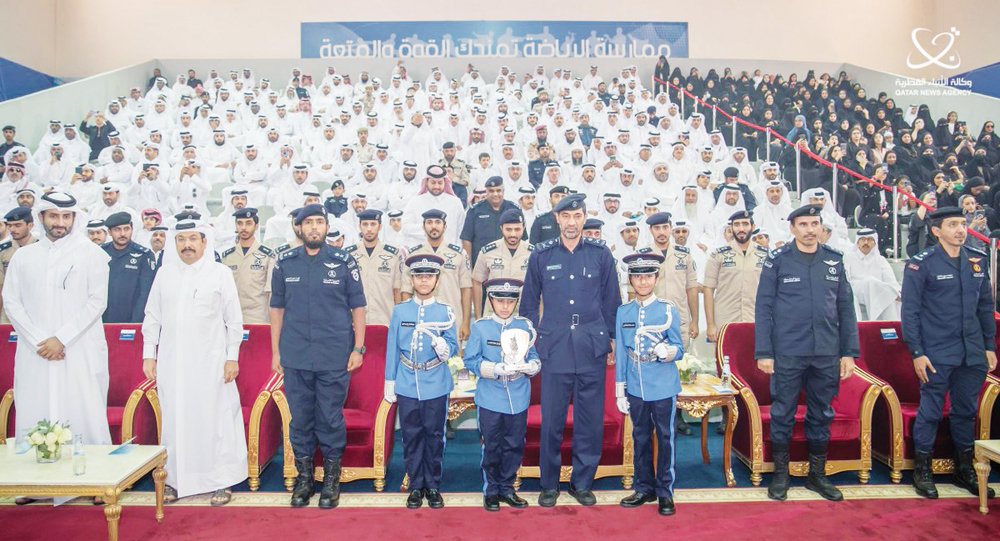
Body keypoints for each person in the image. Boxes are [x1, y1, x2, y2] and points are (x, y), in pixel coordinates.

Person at [519, 193, 622, 507]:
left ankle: (581, 482)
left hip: (591, 343)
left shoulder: (601, 254)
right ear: (557, 218)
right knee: (552, 420)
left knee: (589, 420)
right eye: (566, 216)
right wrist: (531, 341)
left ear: (584, 217)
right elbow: (528, 304)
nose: (572, 222)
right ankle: (549, 484)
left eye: (577, 216)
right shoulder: (541, 255)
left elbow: (611, 301)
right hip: (555, 344)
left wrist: (612, 340)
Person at [754, 204, 859, 502]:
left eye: (815, 223)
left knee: (822, 414)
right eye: (803, 224)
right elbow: (763, 308)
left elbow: (845, 308)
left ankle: (818, 474)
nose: (810, 230)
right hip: (788, 351)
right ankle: (781, 476)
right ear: (792, 228)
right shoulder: (778, 261)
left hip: (826, 351)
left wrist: (848, 352)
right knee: (783, 413)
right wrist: (764, 351)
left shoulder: (833, 260)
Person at [141, 219, 247, 506]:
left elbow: (234, 321)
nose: (186, 245)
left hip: (211, 363)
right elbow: (152, 316)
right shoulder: (164, 274)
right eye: (181, 239)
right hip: (172, 364)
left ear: (204, 241)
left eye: (193, 239)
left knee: (214, 420)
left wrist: (231, 358)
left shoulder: (220, 273)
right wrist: (149, 353)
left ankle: (220, 481)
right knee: (176, 420)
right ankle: (175, 479)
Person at [270, 204, 367, 509]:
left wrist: (359, 347)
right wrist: (276, 352)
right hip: (296, 355)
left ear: (327, 227)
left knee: (329, 418)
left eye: (319, 222)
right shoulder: (285, 262)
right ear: (298, 228)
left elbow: (359, 306)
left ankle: (331, 481)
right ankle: (304, 480)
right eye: (308, 222)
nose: (314, 227)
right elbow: (276, 308)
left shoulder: (342, 261)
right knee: (300, 420)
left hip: (334, 354)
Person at [3, 192, 113, 452]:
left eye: (66, 216)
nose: (60, 222)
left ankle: (89, 479)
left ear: (75, 218)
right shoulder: (23, 256)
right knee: (34, 404)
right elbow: (11, 302)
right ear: (41, 217)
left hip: (78, 350)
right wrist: (40, 340)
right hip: (36, 351)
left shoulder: (91, 254)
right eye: (54, 216)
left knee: (81, 407)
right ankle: (33, 482)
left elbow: (97, 302)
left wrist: (61, 339)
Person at [901, 206, 997, 500]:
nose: (960, 229)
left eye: (962, 224)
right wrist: (917, 352)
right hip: (936, 352)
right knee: (930, 411)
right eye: (953, 224)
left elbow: (985, 308)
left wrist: (989, 346)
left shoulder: (977, 260)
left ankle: (964, 467)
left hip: (972, 352)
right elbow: (911, 312)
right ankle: (923, 469)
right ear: (936, 231)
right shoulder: (921, 264)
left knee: (966, 411)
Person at [384, 254, 459, 510]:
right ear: (412, 279)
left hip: (436, 381)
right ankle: (416, 485)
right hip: (406, 381)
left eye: (429, 275)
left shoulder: (445, 311)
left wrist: (444, 348)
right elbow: (393, 347)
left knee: (435, 436)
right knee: (412, 435)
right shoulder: (400, 311)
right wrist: (389, 381)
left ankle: (434, 486)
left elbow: (454, 347)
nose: (424, 280)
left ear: (437, 280)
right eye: (419, 276)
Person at [615, 252, 684, 516]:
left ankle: (665, 491)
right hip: (635, 383)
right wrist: (620, 388)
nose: (642, 282)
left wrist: (670, 352)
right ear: (630, 280)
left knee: (666, 437)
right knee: (640, 436)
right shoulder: (624, 311)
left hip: (664, 382)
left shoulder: (667, 309)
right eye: (637, 277)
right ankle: (644, 487)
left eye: (647, 276)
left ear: (656, 278)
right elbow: (621, 351)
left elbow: (679, 346)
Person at [463, 278, 540, 511]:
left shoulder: (525, 326)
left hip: (518, 395)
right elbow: (470, 360)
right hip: (491, 397)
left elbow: (534, 354)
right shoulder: (481, 327)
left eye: (510, 301)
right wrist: (493, 369)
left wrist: (533, 366)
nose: (505, 306)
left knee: (515, 445)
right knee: (492, 445)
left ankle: (507, 488)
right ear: (490, 300)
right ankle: (491, 490)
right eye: (500, 300)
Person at [402, 209, 473, 341]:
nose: (433, 226)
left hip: (451, 320)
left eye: (438, 222)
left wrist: (465, 322)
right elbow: (406, 291)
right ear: (423, 227)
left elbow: (466, 290)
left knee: (452, 360)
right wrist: (408, 320)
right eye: (429, 222)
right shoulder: (413, 255)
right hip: (421, 320)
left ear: (444, 227)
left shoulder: (459, 254)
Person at [703, 210, 768, 342]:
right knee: (726, 361)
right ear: (731, 228)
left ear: (753, 227)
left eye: (745, 224)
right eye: (737, 225)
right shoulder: (718, 255)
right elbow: (708, 289)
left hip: (756, 320)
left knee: (754, 362)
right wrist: (710, 325)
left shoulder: (766, 255)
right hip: (726, 321)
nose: (741, 228)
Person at [344, 208, 402, 326]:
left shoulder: (393, 255)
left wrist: (398, 321)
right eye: (365, 224)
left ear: (380, 227)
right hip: (355, 324)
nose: (369, 229)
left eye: (373, 224)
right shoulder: (348, 255)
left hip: (385, 322)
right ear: (359, 226)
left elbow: (397, 292)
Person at [471, 209, 531, 318]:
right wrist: (478, 316)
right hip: (492, 316)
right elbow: (476, 282)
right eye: (508, 229)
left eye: (517, 229)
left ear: (524, 228)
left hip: (522, 316)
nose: (513, 234)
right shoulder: (488, 252)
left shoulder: (533, 253)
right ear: (501, 229)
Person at [220, 208, 276, 324]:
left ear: (256, 226)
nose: (244, 228)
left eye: (248, 223)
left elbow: (271, 293)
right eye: (240, 223)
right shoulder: (227, 256)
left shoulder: (267, 255)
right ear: (235, 226)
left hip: (259, 319)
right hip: (232, 319)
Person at [102, 211, 156, 323]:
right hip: (102, 320)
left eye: (126, 229)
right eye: (117, 230)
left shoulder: (144, 255)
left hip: (132, 320)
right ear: (109, 232)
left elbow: (145, 294)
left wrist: (135, 323)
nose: (122, 234)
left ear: (132, 228)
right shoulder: (100, 253)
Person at [461, 176, 519, 268]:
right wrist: (469, 267)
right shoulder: (475, 211)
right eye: (491, 191)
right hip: (481, 265)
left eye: (498, 190)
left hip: (508, 265)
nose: (495, 194)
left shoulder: (513, 209)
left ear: (503, 191)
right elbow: (467, 240)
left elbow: (521, 239)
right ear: (486, 192)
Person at [844, 229, 900, 321]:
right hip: (855, 290)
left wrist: (895, 290)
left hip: (877, 291)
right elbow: (846, 280)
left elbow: (891, 281)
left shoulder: (880, 260)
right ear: (857, 243)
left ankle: (892, 326)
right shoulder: (848, 257)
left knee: (886, 293)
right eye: (862, 239)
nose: (866, 242)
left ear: (874, 243)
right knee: (870, 281)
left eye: (870, 239)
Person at [0, 206, 38, 324]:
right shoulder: (4, 250)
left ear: (30, 226)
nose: (12, 229)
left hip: (36, 306)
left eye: (17, 225)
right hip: (10, 307)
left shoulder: (41, 247)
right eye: (10, 225)